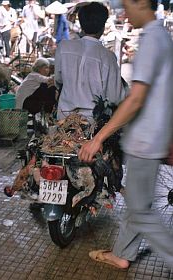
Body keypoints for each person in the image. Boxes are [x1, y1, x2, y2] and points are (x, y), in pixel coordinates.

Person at [78, 0, 173, 270]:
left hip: (145, 140)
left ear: (142, 3)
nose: (124, 12)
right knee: (136, 202)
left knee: (142, 212)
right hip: (153, 136)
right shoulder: (161, 36)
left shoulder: (153, 40)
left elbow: (134, 100)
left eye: (128, 5)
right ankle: (122, 254)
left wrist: (98, 138)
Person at [54, 2, 126, 121]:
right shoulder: (108, 57)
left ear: (81, 24)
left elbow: (58, 80)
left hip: (63, 119)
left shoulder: (63, 47)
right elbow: (115, 98)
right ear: (103, 27)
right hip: (93, 123)